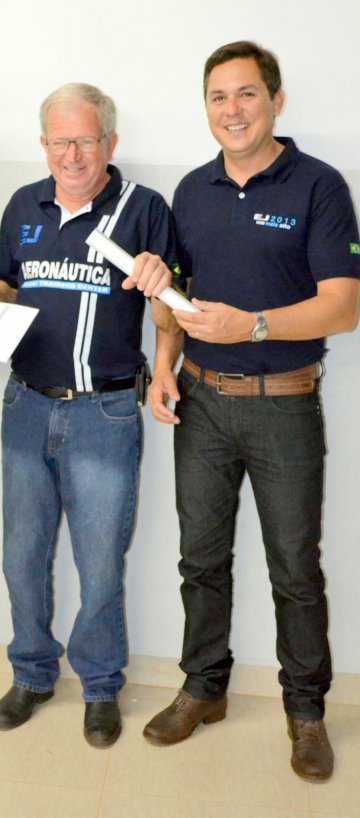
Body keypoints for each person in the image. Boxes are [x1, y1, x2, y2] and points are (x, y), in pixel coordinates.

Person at [143, 41, 360, 782]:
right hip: (200, 402)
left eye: (245, 94)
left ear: (275, 100)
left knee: (295, 568)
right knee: (200, 560)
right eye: (217, 96)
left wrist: (253, 325)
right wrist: (163, 365)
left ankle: (306, 712)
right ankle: (203, 689)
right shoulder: (191, 191)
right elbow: (175, 302)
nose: (231, 110)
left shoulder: (319, 185)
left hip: (284, 407)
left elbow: (343, 307)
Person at [0, 82, 178, 747]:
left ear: (110, 142)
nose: (73, 155)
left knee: (101, 564)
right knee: (22, 557)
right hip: (25, 406)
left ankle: (100, 685)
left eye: (86, 140)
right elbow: (10, 282)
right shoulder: (21, 205)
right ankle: (31, 673)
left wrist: (163, 289)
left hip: (105, 414)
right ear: (43, 144)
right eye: (60, 141)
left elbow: (171, 317)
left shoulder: (144, 209)